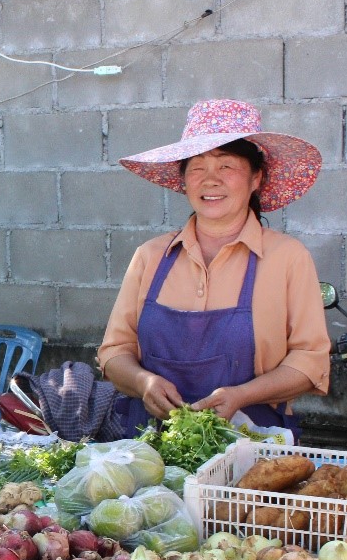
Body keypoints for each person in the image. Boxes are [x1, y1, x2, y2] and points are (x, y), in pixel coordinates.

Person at [96, 99, 331, 439]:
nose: (210, 180)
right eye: (197, 168)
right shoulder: (150, 256)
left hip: (253, 446)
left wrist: (242, 395)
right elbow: (114, 352)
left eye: (226, 165)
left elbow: (311, 362)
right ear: (183, 180)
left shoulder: (287, 258)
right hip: (149, 446)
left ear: (256, 178)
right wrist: (142, 382)